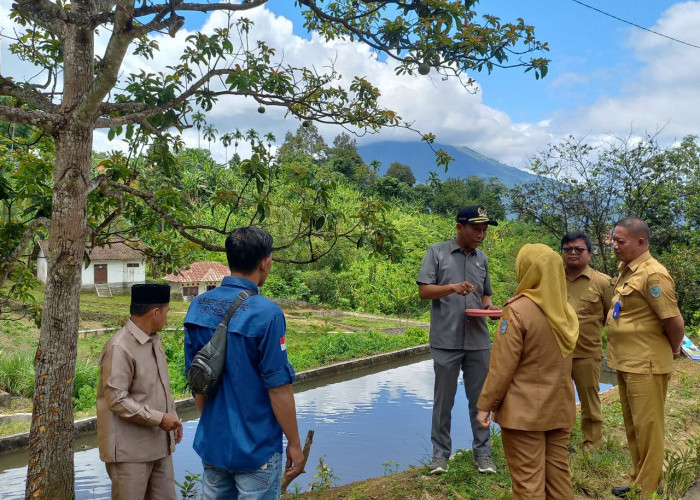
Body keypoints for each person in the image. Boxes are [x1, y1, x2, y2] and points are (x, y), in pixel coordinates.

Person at [184, 226, 303, 499]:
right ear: (264, 262)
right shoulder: (268, 314)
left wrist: (214, 423)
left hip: (214, 443)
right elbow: (278, 389)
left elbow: (197, 381)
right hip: (255, 447)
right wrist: (294, 444)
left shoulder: (198, 307)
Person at [476, 244, 579, 500]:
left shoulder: (517, 311)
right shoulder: (566, 312)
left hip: (524, 414)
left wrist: (485, 405)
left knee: (528, 483)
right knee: (558, 480)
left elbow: (502, 367)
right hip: (560, 408)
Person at [416, 205, 500, 475]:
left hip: (478, 341)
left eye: (485, 230)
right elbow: (424, 291)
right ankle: (440, 456)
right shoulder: (436, 252)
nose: (481, 234)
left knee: (481, 401)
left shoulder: (482, 259)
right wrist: (452, 287)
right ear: (459, 227)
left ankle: (483, 454)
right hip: (446, 340)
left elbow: (485, 295)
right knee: (444, 401)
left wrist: (489, 308)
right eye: (476, 229)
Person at [607, 217, 685, 498]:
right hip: (627, 361)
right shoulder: (627, 270)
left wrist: (674, 349)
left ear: (640, 242)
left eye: (620, 241)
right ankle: (638, 479)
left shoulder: (653, 274)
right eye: (613, 240)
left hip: (646, 364)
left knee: (649, 430)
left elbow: (674, 322)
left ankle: (647, 490)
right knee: (634, 427)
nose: (614, 245)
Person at [97, 283, 183, 500]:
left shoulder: (153, 340)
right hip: (130, 453)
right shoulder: (120, 347)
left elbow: (157, 388)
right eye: (167, 311)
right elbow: (116, 399)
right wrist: (158, 418)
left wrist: (172, 419)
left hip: (159, 445)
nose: (167, 316)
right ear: (155, 312)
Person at [561, 232, 613, 449]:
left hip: (586, 352)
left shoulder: (603, 282)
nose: (573, 253)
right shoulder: (551, 279)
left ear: (589, 254)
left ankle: (592, 443)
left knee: (589, 400)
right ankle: (560, 440)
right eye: (568, 249)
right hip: (557, 353)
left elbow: (612, 317)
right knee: (558, 400)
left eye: (579, 249)